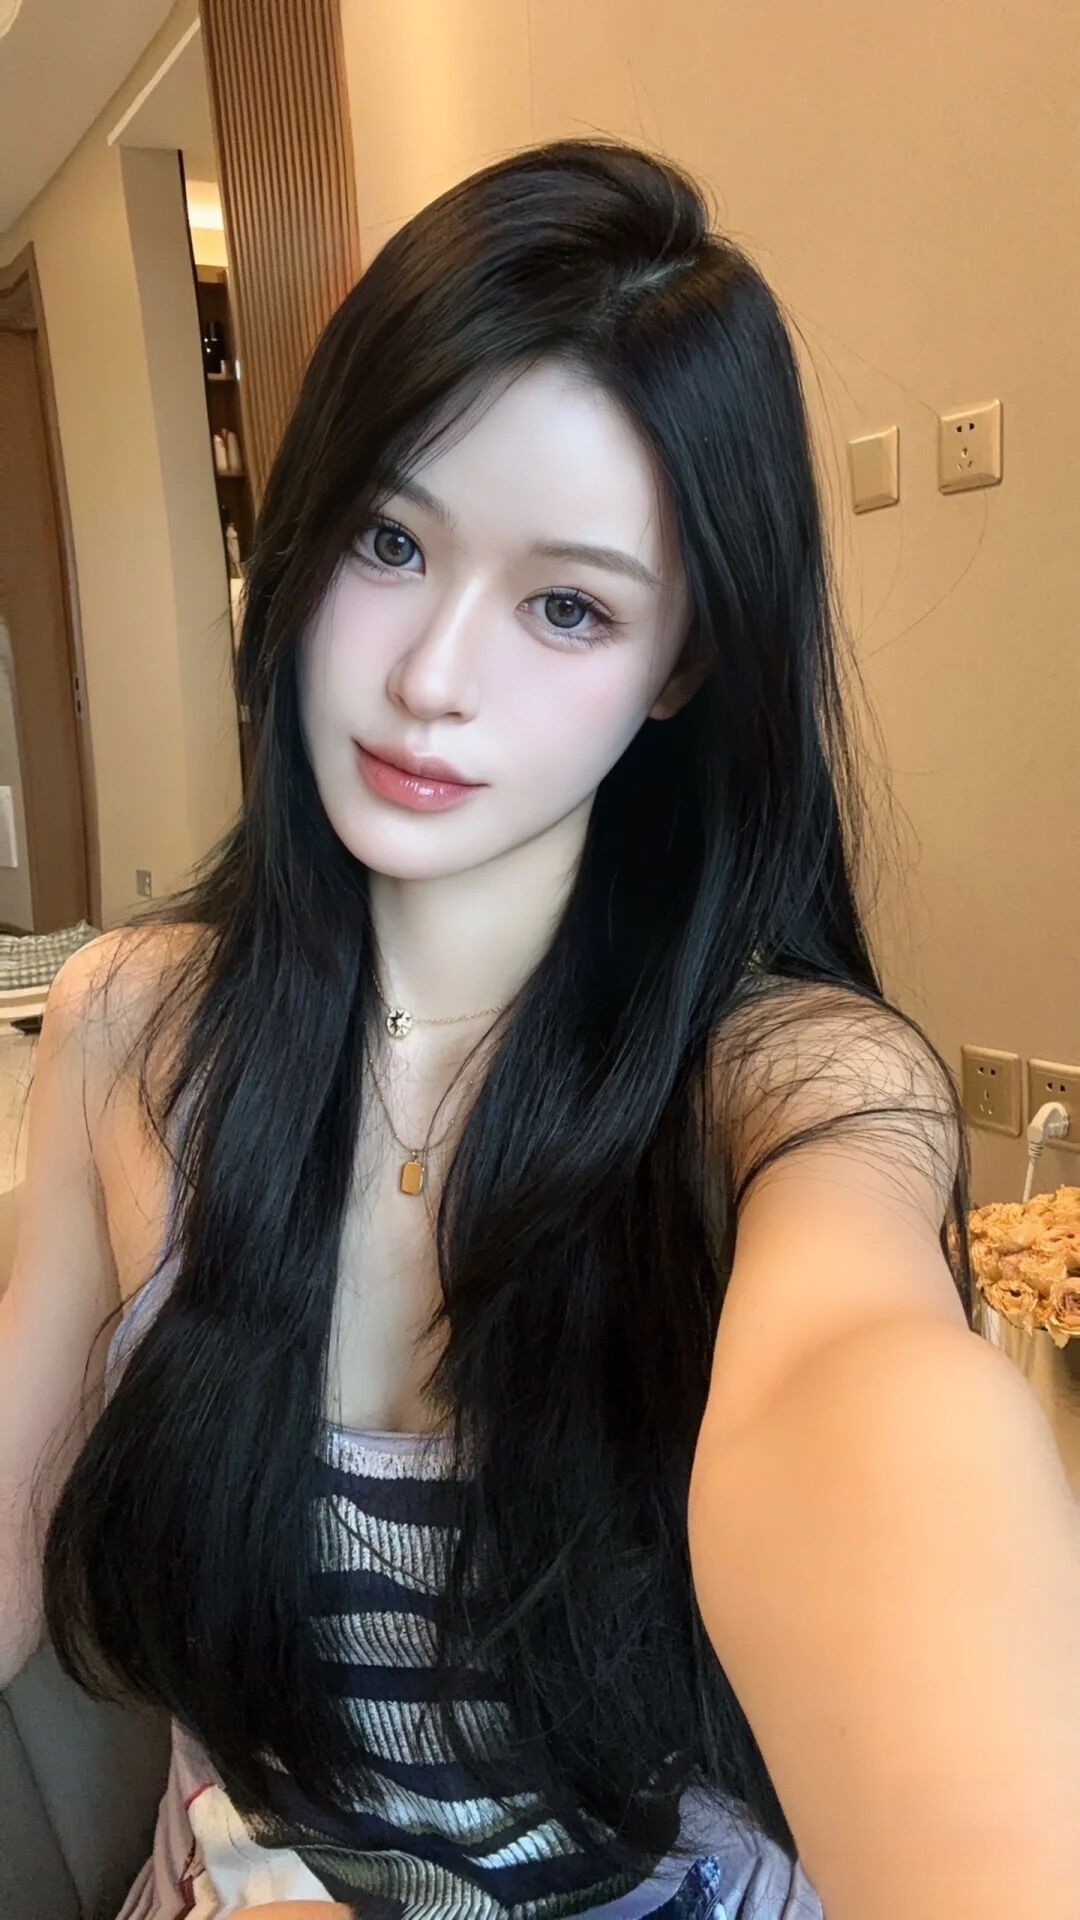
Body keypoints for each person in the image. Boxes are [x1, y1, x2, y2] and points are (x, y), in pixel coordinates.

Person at [0, 138, 1074, 1920]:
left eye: (567, 606)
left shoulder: (789, 1089)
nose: (432, 677)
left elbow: (868, 1410)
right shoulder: (130, 1028)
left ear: (682, 664)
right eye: (390, 540)